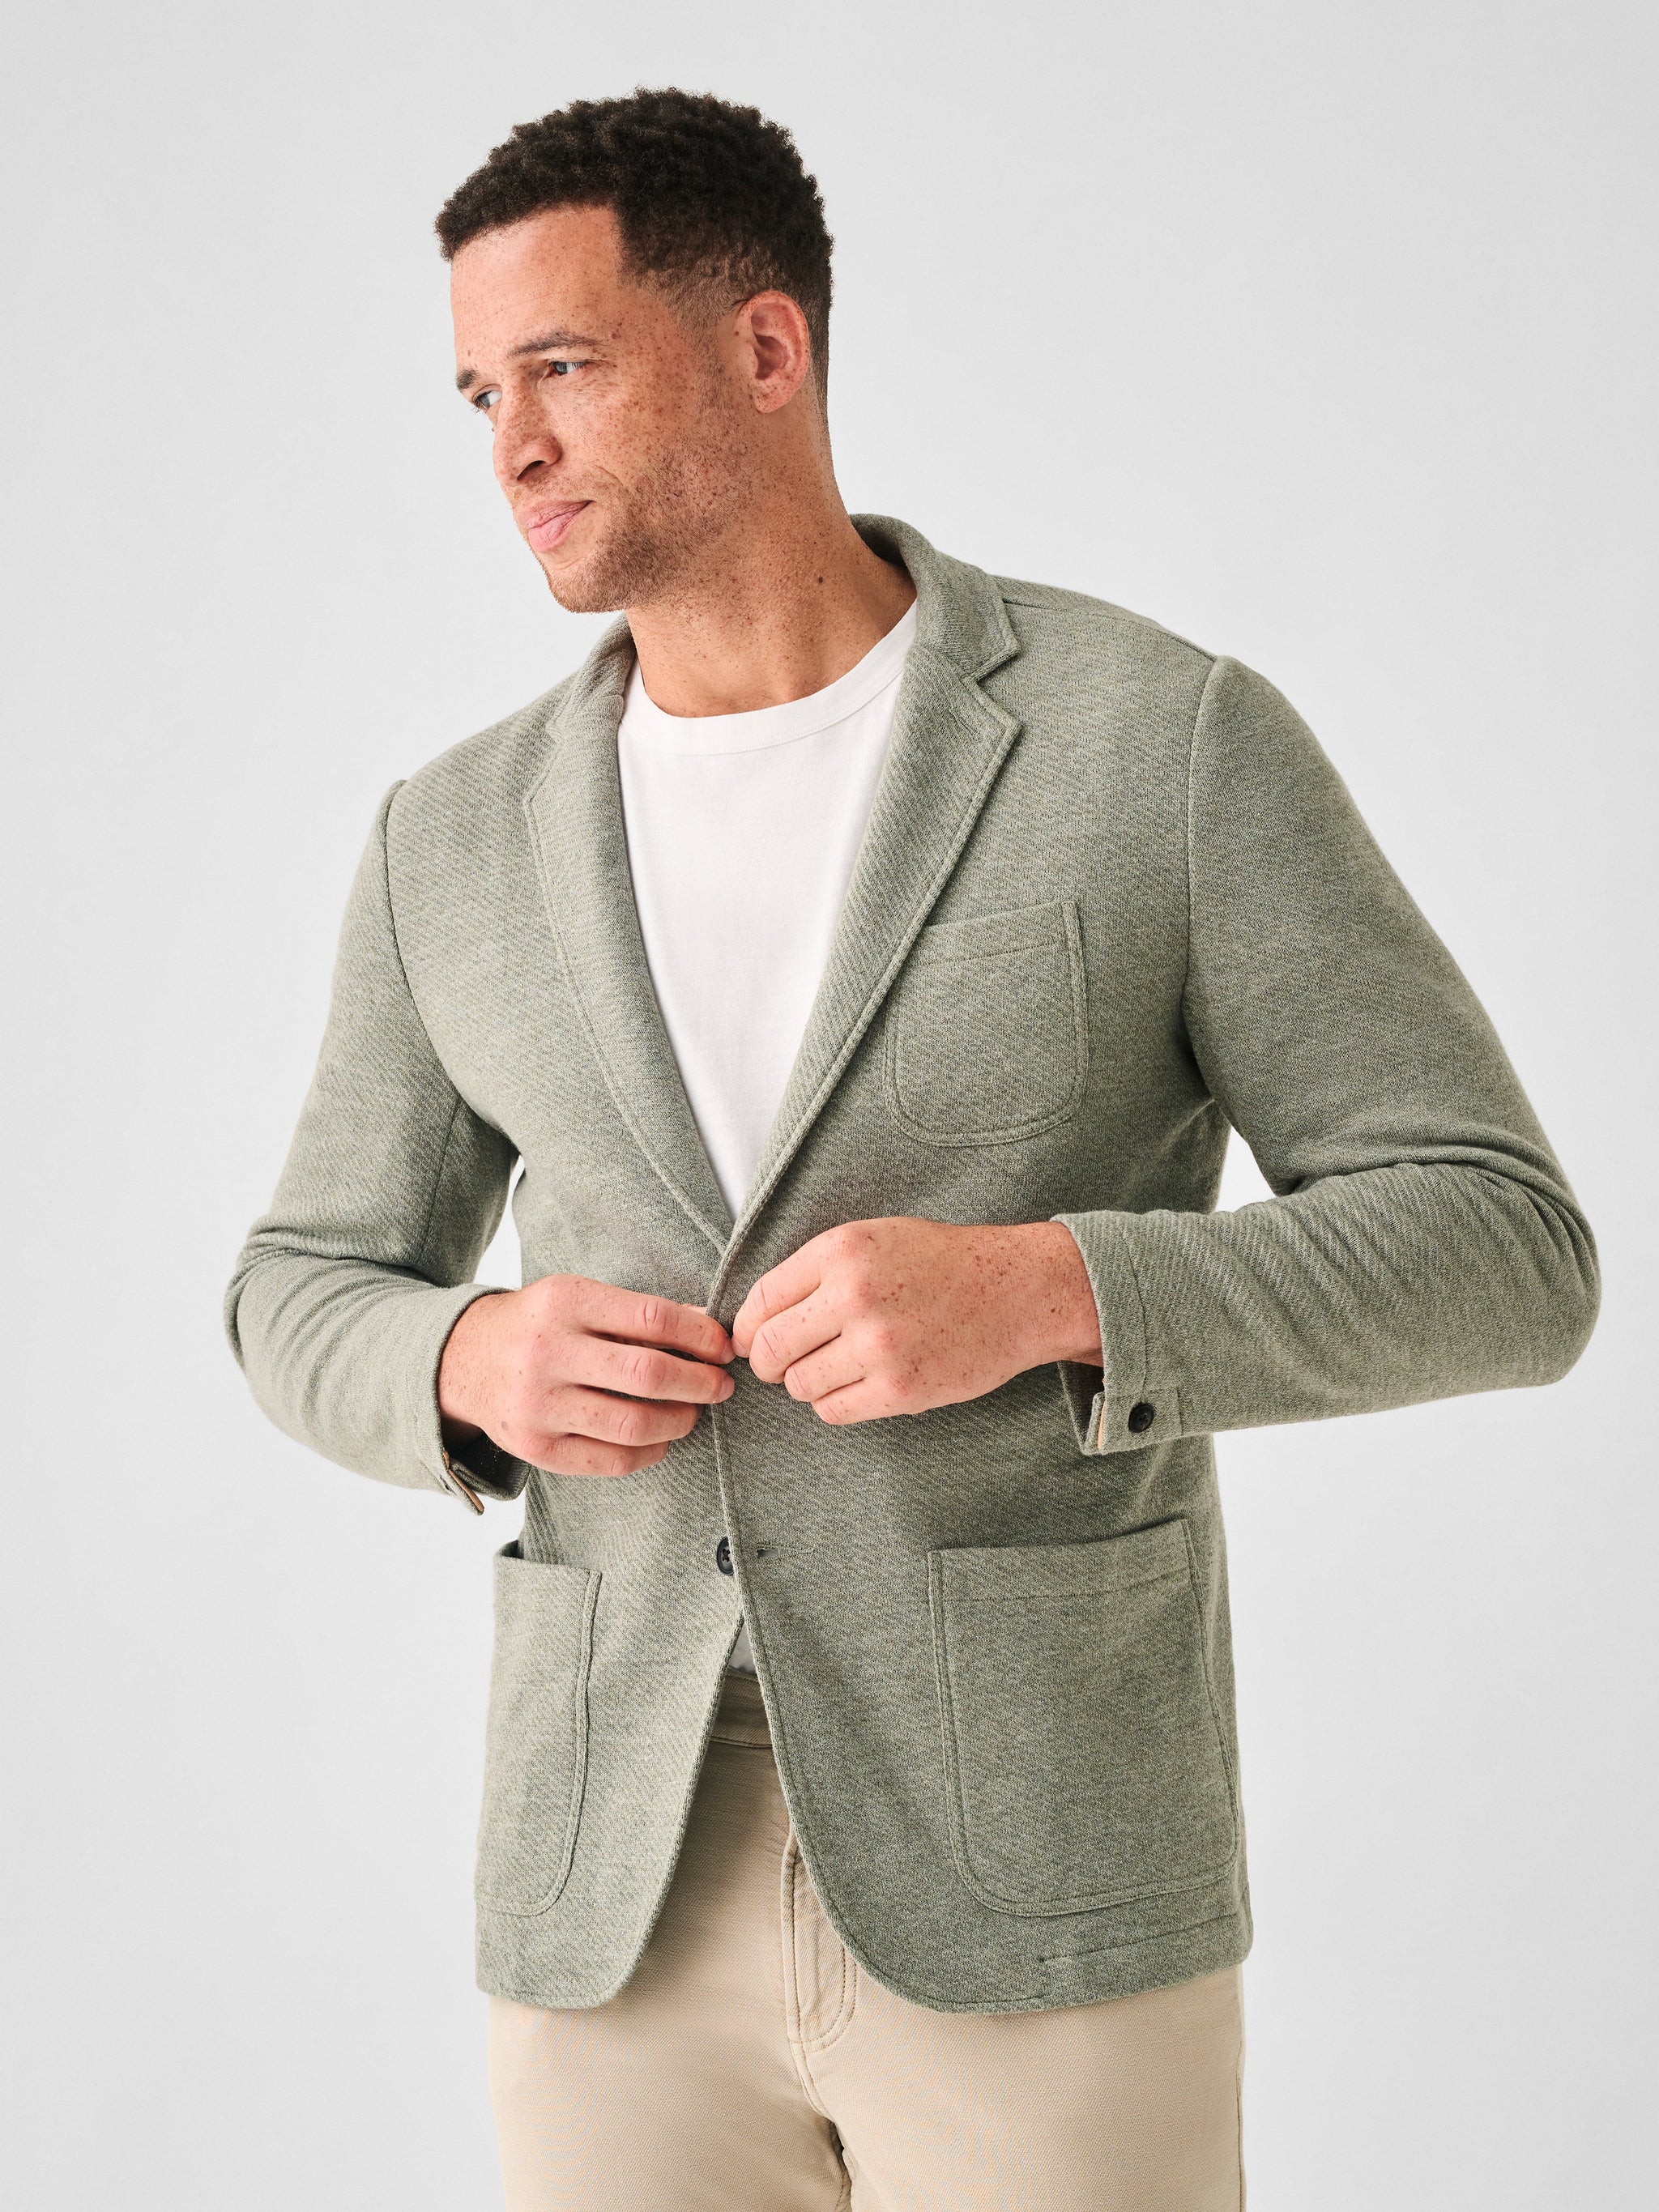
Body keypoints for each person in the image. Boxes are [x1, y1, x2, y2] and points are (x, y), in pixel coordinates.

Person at [224, 87, 1599, 2210]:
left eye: (564, 367)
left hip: (1045, 1867)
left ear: (766, 346)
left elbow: (1506, 1247)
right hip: (614, 1892)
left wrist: (1056, 1288)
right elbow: (300, 1284)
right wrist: (463, 1362)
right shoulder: (449, 840)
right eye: (483, 394)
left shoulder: (1159, 741)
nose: (513, 450)